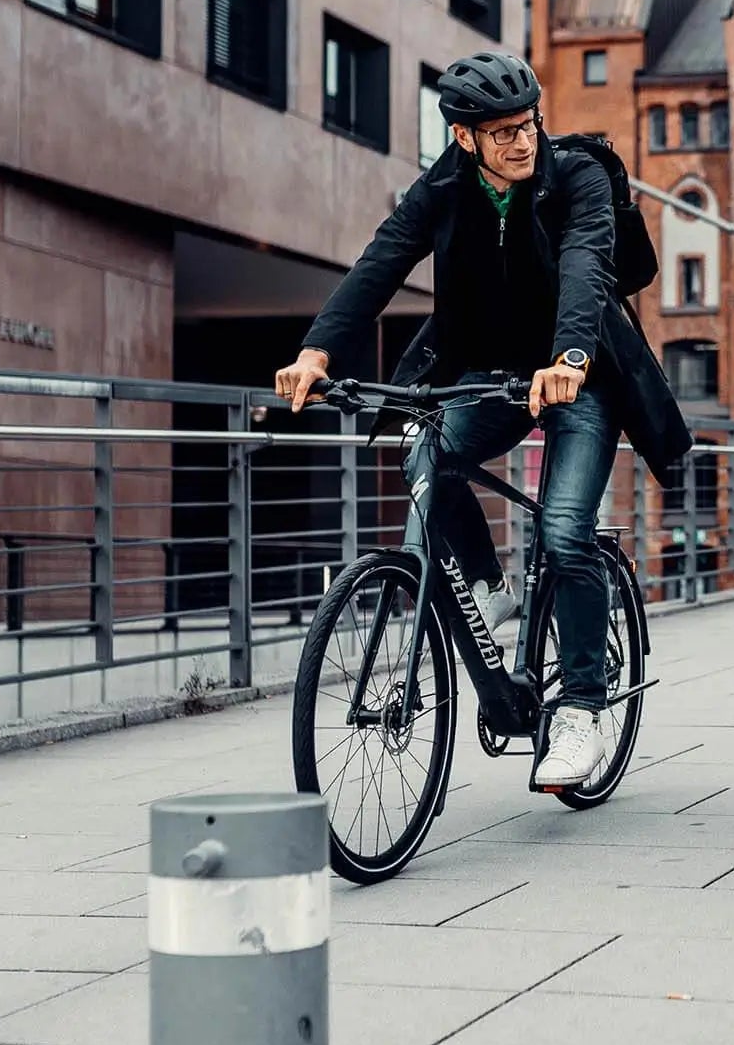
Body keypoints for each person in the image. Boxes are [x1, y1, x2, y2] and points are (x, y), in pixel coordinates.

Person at [274, 51, 691, 787]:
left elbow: (589, 262)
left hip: (579, 373)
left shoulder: (578, 176)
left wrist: (568, 357)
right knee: (424, 459)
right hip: (483, 375)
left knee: (564, 530)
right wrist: (316, 353)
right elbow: (381, 261)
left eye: (527, 124)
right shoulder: (442, 187)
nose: (523, 142)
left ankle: (582, 712)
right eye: (502, 133)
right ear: (464, 138)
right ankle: (489, 588)